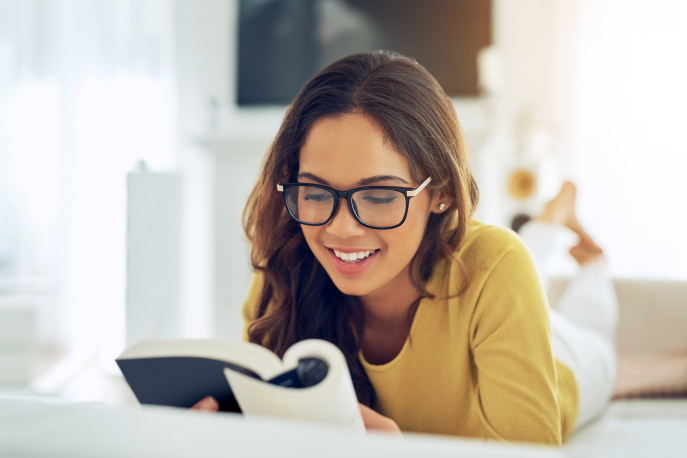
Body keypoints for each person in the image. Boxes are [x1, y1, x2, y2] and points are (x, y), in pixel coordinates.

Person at [192, 51, 618, 445]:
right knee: (531, 258)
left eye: (378, 197)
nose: (340, 230)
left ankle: (590, 257)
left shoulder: (497, 266)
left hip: (573, 362)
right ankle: (554, 216)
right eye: (316, 193)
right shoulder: (283, 275)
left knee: (585, 312)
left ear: (442, 193)